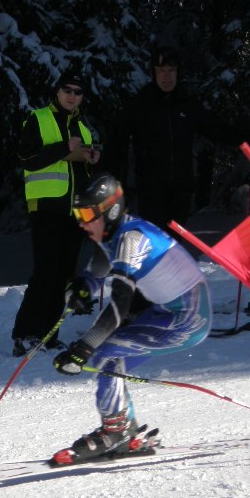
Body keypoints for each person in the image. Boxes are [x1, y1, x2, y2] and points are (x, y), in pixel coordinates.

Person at [49, 173, 211, 465]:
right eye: (77, 214)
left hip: (188, 319)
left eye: (86, 215)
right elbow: (100, 265)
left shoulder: (131, 239)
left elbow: (120, 304)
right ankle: (125, 429)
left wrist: (84, 347)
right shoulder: (114, 233)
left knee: (106, 353)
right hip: (167, 310)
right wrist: (85, 286)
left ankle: (117, 432)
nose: (81, 222)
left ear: (110, 212)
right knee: (109, 354)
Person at [10, 69, 101, 357]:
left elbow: (79, 172)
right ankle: (25, 334)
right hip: (47, 207)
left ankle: (49, 336)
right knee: (45, 272)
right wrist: (64, 148)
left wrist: (90, 159)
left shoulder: (82, 126)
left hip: (74, 210)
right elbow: (26, 158)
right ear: (57, 92)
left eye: (78, 92)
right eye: (67, 90)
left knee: (63, 275)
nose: (72, 96)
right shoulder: (38, 118)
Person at [107, 45, 228, 252]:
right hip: (151, 189)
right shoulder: (141, 104)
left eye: (171, 71)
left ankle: (172, 272)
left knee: (174, 245)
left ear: (178, 72)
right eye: (161, 71)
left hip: (181, 188)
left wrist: (246, 136)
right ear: (153, 73)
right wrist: (110, 177)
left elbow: (215, 129)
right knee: (153, 243)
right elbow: (117, 140)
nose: (166, 77)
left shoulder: (187, 103)